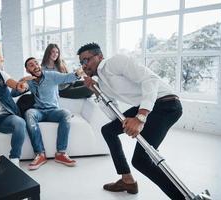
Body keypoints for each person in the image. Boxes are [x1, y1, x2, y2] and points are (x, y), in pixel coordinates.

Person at [77, 43, 184, 199]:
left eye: (87, 60)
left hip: (166, 104)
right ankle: (127, 180)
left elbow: (151, 79)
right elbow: (115, 116)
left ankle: (181, 197)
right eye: (81, 62)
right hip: (147, 106)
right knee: (108, 130)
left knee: (141, 160)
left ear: (99, 56)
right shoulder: (101, 82)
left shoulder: (115, 62)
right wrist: (96, 92)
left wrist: (140, 117)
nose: (84, 65)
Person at [16, 57, 83, 170]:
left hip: (53, 111)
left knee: (66, 113)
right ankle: (40, 154)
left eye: (36, 63)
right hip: (38, 112)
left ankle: (61, 153)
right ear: (27, 70)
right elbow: (13, 93)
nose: (35, 66)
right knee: (29, 113)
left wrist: (78, 73)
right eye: (31, 65)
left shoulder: (51, 75)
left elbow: (67, 77)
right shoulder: (28, 81)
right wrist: (21, 81)